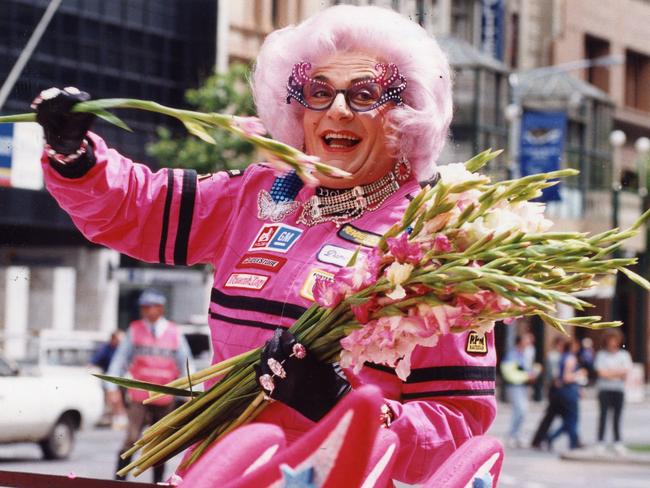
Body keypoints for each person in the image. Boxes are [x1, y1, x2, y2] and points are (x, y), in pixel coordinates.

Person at [32, 5, 497, 484]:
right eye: (318, 92)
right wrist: (76, 156)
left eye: (363, 94)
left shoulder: (434, 237)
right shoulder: (259, 195)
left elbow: (459, 428)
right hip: (217, 473)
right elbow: (139, 209)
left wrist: (345, 408)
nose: (337, 109)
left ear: (405, 114)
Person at [105, 289, 193, 483]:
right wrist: (111, 388)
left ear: (160, 308)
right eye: (143, 307)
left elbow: (186, 363)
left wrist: (191, 390)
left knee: (160, 445)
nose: (145, 311)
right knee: (131, 439)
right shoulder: (134, 330)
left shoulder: (174, 333)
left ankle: (157, 483)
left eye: (149, 307)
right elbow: (119, 360)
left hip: (164, 399)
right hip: (140, 397)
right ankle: (117, 481)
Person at [594, 330, 632, 455]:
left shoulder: (624, 355)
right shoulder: (601, 355)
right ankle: (600, 442)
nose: (612, 343)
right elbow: (601, 373)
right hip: (604, 390)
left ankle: (617, 442)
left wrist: (610, 373)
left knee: (617, 417)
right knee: (603, 416)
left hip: (618, 390)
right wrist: (616, 373)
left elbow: (625, 372)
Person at [500, 333, 540, 447]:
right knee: (520, 410)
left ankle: (515, 435)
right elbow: (508, 373)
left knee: (521, 412)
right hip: (514, 386)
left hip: (522, 386)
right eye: (526, 339)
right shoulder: (513, 354)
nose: (529, 341)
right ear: (520, 341)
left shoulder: (525, 354)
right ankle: (511, 435)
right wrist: (527, 376)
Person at [547, 337, 586, 450]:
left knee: (569, 420)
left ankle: (570, 441)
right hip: (569, 392)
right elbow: (566, 377)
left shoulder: (562, 357)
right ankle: (572, 442)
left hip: (564, 392)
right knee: (572, 419)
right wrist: (579, 374)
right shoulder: (570, 358)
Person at [531, 335, 566, 449]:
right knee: (565, 417)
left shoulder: (559, 356)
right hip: (556, 390)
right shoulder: (553, 356)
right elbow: (554, 374)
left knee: (550, 417)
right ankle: (543, 438)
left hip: (557, 389)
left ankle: (539, 439)